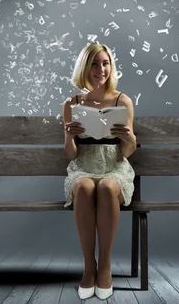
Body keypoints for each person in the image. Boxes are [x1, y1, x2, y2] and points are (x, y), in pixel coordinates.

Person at [62, 42, 137, 300]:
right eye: (94, 63)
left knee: (106, 186)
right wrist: (70, 137)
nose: (100, 69)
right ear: (85, 67)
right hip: (84, 165)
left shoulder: (122, 100)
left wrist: (130, 138)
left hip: (114, 166)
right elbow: (71, 154)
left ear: (111, 67)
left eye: (105, 63)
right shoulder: (72, 103)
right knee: (83, 186)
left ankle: (104, 266)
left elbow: (126, 153)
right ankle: (88, 267)